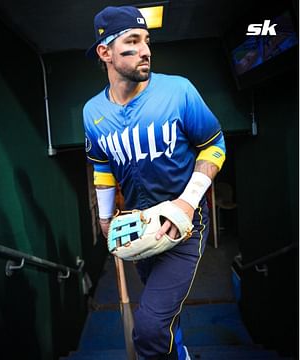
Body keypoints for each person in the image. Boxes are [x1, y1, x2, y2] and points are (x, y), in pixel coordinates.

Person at [82, 6, 226, 360]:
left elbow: (215, 145)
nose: (145, 50)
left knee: (148, 327)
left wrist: (186, 203)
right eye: (132, 41)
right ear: (106, 53)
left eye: (147, 40)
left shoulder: (178, 90)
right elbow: (102, 165)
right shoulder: (92, 112)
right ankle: (180, 352)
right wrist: (104, 218)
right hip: (138, 224)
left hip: (185, 224)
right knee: (160, 316)